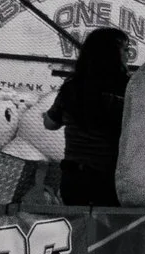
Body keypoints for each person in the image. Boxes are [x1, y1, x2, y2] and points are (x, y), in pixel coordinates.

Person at [43, 26, 132, 208]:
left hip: (74, 178)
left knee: (79, 229)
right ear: (111, 53)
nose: (128, 55)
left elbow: (50, 124)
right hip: (111, 178)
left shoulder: (72, 87)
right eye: (125, 49)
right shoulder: (128, 89)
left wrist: (46, 115)